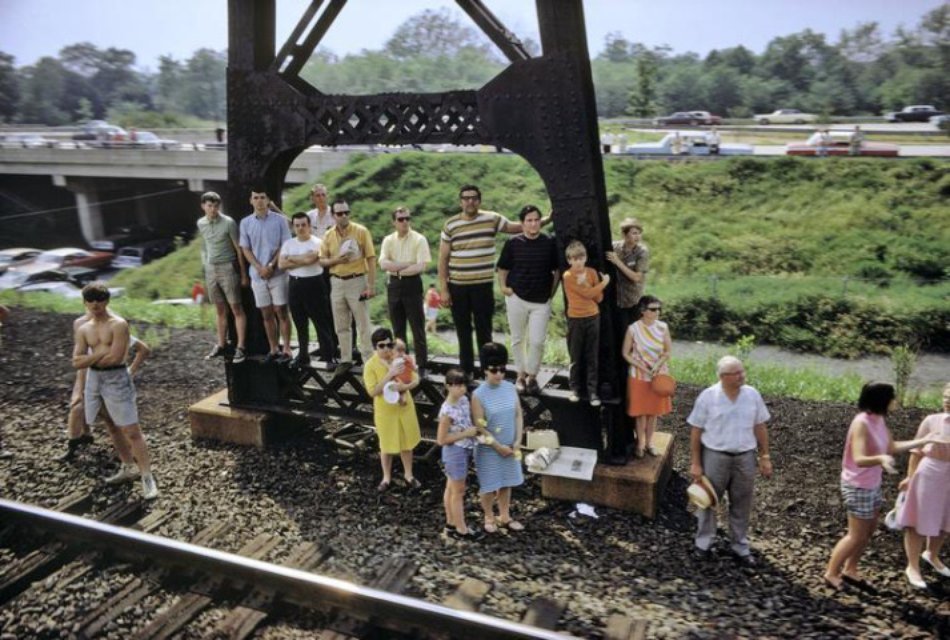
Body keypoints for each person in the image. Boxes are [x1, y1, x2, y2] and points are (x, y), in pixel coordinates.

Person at [823, 382, 940, 590]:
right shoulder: (861, 422)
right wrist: (881, 459)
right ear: (882, 400)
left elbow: (892, 447)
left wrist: (924, 440)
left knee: (868, 532)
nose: (895, 401)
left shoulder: (879, 420)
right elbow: (859, 458)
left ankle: (851, 569)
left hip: (872, 484)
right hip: (857, 485)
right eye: (892, 397)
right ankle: (831, 572)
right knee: (856, 534)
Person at [72, 283, 158, 500]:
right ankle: (127, 466)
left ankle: (147, 476)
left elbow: (116, 357)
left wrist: (92, 357)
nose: (94, 304)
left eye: (99, 299)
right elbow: (76, 361)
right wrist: (99, 353)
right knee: (110, 425)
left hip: (116, 377)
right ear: (85, 302)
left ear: (107, 301)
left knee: (131, 429)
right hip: (94, 379)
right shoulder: (84, 328)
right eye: (90, 300)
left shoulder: (118, 324)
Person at [688, 356, 771, 566]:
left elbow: (760, 426)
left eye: (742, 371)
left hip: (745, 457)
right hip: (715, 456)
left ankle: (740, 546)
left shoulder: (752, 395)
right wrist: (696, 463)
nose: (742, 376)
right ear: (723, 377)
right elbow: (696, 431)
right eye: (736, 373)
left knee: (742, 502)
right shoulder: (708, 397)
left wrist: (764, 456)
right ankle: (703, 544)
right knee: (707, 501)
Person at [438, 185, 522, 379]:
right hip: (458, 286)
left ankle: (488, 371)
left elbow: (516, 227)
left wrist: (544, 220)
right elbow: (442, 259)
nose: (470, 201)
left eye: (474, 198)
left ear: (479, 200)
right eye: (466, 198)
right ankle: (466, 372)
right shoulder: (450, 225)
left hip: (482, 286)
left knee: (485, 331)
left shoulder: (491, 219)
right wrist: (444, 289)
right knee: (463, 331)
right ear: (460, 202)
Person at [60, 311, 151, 463]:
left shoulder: (116, 330)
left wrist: (131, 371)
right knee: (77, 406)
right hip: (88, 375)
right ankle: (76, 445)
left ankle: (130, 454)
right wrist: (79, 387)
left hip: (111, 378)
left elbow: (143, 349)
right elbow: (79, 363)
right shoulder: (84, 330)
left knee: (116, 421)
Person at [497, 204, 560, 395]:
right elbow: (503, 268)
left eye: (536, 220)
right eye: (529, 220)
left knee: (537, 341)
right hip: (517, 297)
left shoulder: (550, 242)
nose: (533, 224)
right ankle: (520, 376)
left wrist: (552, 292)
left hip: (541, 301)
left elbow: (556, 270)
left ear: (540, 222)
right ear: (523, 223)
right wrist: (503, 287)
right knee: (517, 339)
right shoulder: (513, 243)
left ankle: (532, 376)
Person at [898, 382, 950, 589]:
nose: (948, 401)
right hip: (929, 473)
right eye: (946, 396)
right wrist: (910, 478)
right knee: (918, 520)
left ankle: (932, 555)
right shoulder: (932, 420)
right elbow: (916, 452)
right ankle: (912, 566)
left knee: (945, 521)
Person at [472, 342, 525, 533]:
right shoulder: (478, 395)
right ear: (485, 370)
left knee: (506, 482)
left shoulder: (510, 388)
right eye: (494, 370)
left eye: (503, 370)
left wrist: (518, 440)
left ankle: (505, 515)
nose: (499, 374)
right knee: (489, 484)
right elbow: (480, 427)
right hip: (489, 448)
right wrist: (497, 446)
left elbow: (518, 414)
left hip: (510, 445)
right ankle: (488, 515)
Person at [320, 198, 376, 371]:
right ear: (333, 215)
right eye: (339, 213)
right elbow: (322, 260)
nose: (344, 216)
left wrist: (371, 285)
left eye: (346, 212)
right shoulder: (328, 235)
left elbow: (371, 258)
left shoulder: (360, 231)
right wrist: (337, 260)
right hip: (336, 282)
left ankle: (369, 360)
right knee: (341, 324)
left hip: (357, 280)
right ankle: (346, 359)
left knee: (363, 323)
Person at [363, 327, 421, 492]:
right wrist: (390, 374)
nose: (386, 349)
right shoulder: (370, 366)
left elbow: (415, 378)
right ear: (375, 347)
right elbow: (372, 391)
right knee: (386, 445)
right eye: (382, 345)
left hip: (404, 407)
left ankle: (408, 475)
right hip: (385, 411)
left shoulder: (399, 358)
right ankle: (386, 477)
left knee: (407, 443)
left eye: (389, 344)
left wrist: (405, 387)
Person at [239, 187, 292, 362]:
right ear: (251, 200)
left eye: (262, 197)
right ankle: (273, 348)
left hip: (277, 273)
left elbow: (284, 245)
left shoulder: (280, 221)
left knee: (281, 310)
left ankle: (286, 347)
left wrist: (270, 265)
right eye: (256, 198)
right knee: (266, 314)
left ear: (267, 200)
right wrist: (259, 267)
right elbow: (245, 248)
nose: (259, 201)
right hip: (257, 275)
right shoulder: (245, 223)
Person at [197, 191, 248, 363]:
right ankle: (221, 344)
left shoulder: (228, 223)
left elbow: (239, 249)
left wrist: (243, 274)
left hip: (228, 266)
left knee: (236, 308)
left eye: (216, 206)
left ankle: (240, 347)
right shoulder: (201, 223)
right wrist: (205, 268)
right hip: (211, 268)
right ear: (203, 206)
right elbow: (204, 246)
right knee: (219, 309)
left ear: (219, 206)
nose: (213, 209)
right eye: (209, 206)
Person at [278, 213, 335, 367]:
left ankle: (328, 356)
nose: (301, 228)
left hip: (314, 284)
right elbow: (282, 264)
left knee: (321, 321)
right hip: (295, 284)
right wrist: (304, 259)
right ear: (294, 227)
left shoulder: (318, 242)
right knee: (299, 321)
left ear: (309, 226)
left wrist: (292, 259)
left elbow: (312, 259)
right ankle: (303, 355)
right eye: (297, 225)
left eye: (304, 225)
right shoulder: (288, 244)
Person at [379, 206, 431, 376]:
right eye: (401, 219)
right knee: (398, 327)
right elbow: (383, 264)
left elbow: (421, 266)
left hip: (412, 284)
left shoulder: (419, 239)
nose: (405, 222)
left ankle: (422, 365)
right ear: (394, 222)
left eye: (408, 218)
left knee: (417, 327)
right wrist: (406, 265)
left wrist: (397, 268)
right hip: (394, 285)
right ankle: (402, 362)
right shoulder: (388, 240)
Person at [622, 295, 672, 458]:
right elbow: (625, 353)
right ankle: (640, 445)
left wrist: (657, 366)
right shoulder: (633, 329)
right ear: (643, 311)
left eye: (658, 309)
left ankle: (650, 443)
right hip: (639, 375)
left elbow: (667, 352)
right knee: (641, 413)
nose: (657, 312)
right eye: (653, 309)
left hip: (658, 375)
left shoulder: (663, 327)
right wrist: (642, 366)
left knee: (653, 412)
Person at [562, 240, 609, 406]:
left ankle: (593, 392)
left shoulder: (591, 272)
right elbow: (589, 294)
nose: (578, 262)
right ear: (569, 260)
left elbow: (599, 298)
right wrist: (603, 283)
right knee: (576, 355)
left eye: (581, 258)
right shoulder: (568, 276)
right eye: (574, 259)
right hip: (575, 318)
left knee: (592, 356)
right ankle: (575, 389)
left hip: (593, 317)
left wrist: (590, 283)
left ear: (586, 258)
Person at [437, 368, 481, 540]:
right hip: (454, 451)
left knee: (451, 487)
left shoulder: (463, 400)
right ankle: (461, 528)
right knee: (459, 491)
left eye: (463, 385)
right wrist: (466, 433)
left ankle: (451, 522)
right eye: (457, 385)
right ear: (448, 386)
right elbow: (441, 439)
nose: (462, 389)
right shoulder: (447, 411)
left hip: (465, 448)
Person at [305, 183, 340, 362]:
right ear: (313, 198)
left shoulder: (334, 216)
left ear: (327, 196)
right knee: (320, 308)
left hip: (332, 266)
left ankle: (341, 345)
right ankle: (326, 346)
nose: (320, 198)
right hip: (315, 268)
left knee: (336, 306)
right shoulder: (309, 216)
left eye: (323, 195)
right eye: (317, 195)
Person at [606, 217, 650, 330]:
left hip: (633, 301)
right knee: (619, 335)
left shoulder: (642, 252)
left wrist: (617, 262)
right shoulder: (615, 247)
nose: (638, 236)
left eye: (639, 233)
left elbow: (636, 277)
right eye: (634, 233)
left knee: (633, 335)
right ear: (624, 235)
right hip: (617, 300)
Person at [392, 338, 416, 405]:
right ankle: (401, 399)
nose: (402, 353)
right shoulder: (392, 358)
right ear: (392, 350)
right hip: (400, 380)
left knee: (401, 390)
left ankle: (401, 399)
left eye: (403, 350)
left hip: (404, 380)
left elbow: (413, 367)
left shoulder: (406, 358)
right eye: (399, 350)